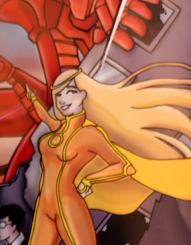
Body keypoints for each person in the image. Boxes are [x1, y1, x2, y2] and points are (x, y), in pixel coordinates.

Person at [25, 66, 191, 245]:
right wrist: (30, 97)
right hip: (44, 206)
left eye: (70, 92)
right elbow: (44, 116)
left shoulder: (90, 134)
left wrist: (90, 179)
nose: (62, 100)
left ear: (83, 94)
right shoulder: (58, 129)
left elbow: (124, 166)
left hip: (68, 205)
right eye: (58, 95)